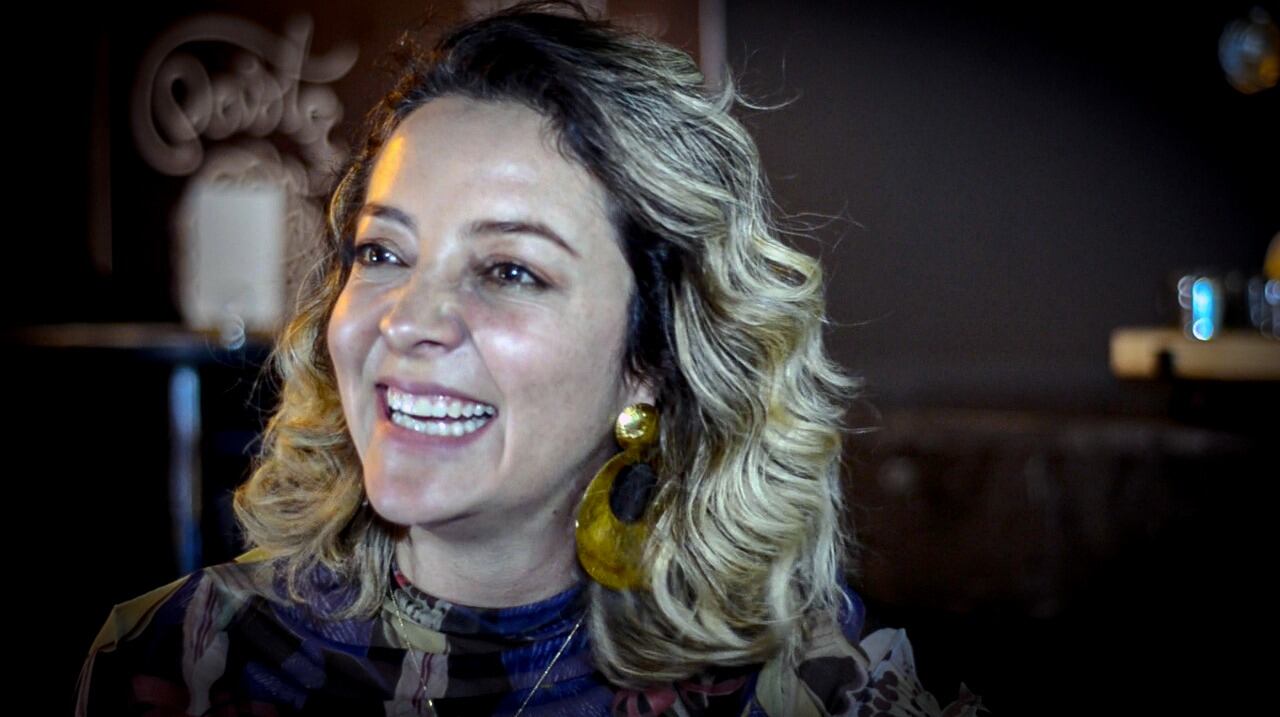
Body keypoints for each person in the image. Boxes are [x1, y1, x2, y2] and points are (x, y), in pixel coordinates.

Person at [77, 1, 987, 715]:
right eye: (382, 252)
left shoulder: (813, 687)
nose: (408, 320)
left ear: (652, 357)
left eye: (509, 270)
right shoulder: (177, 657)